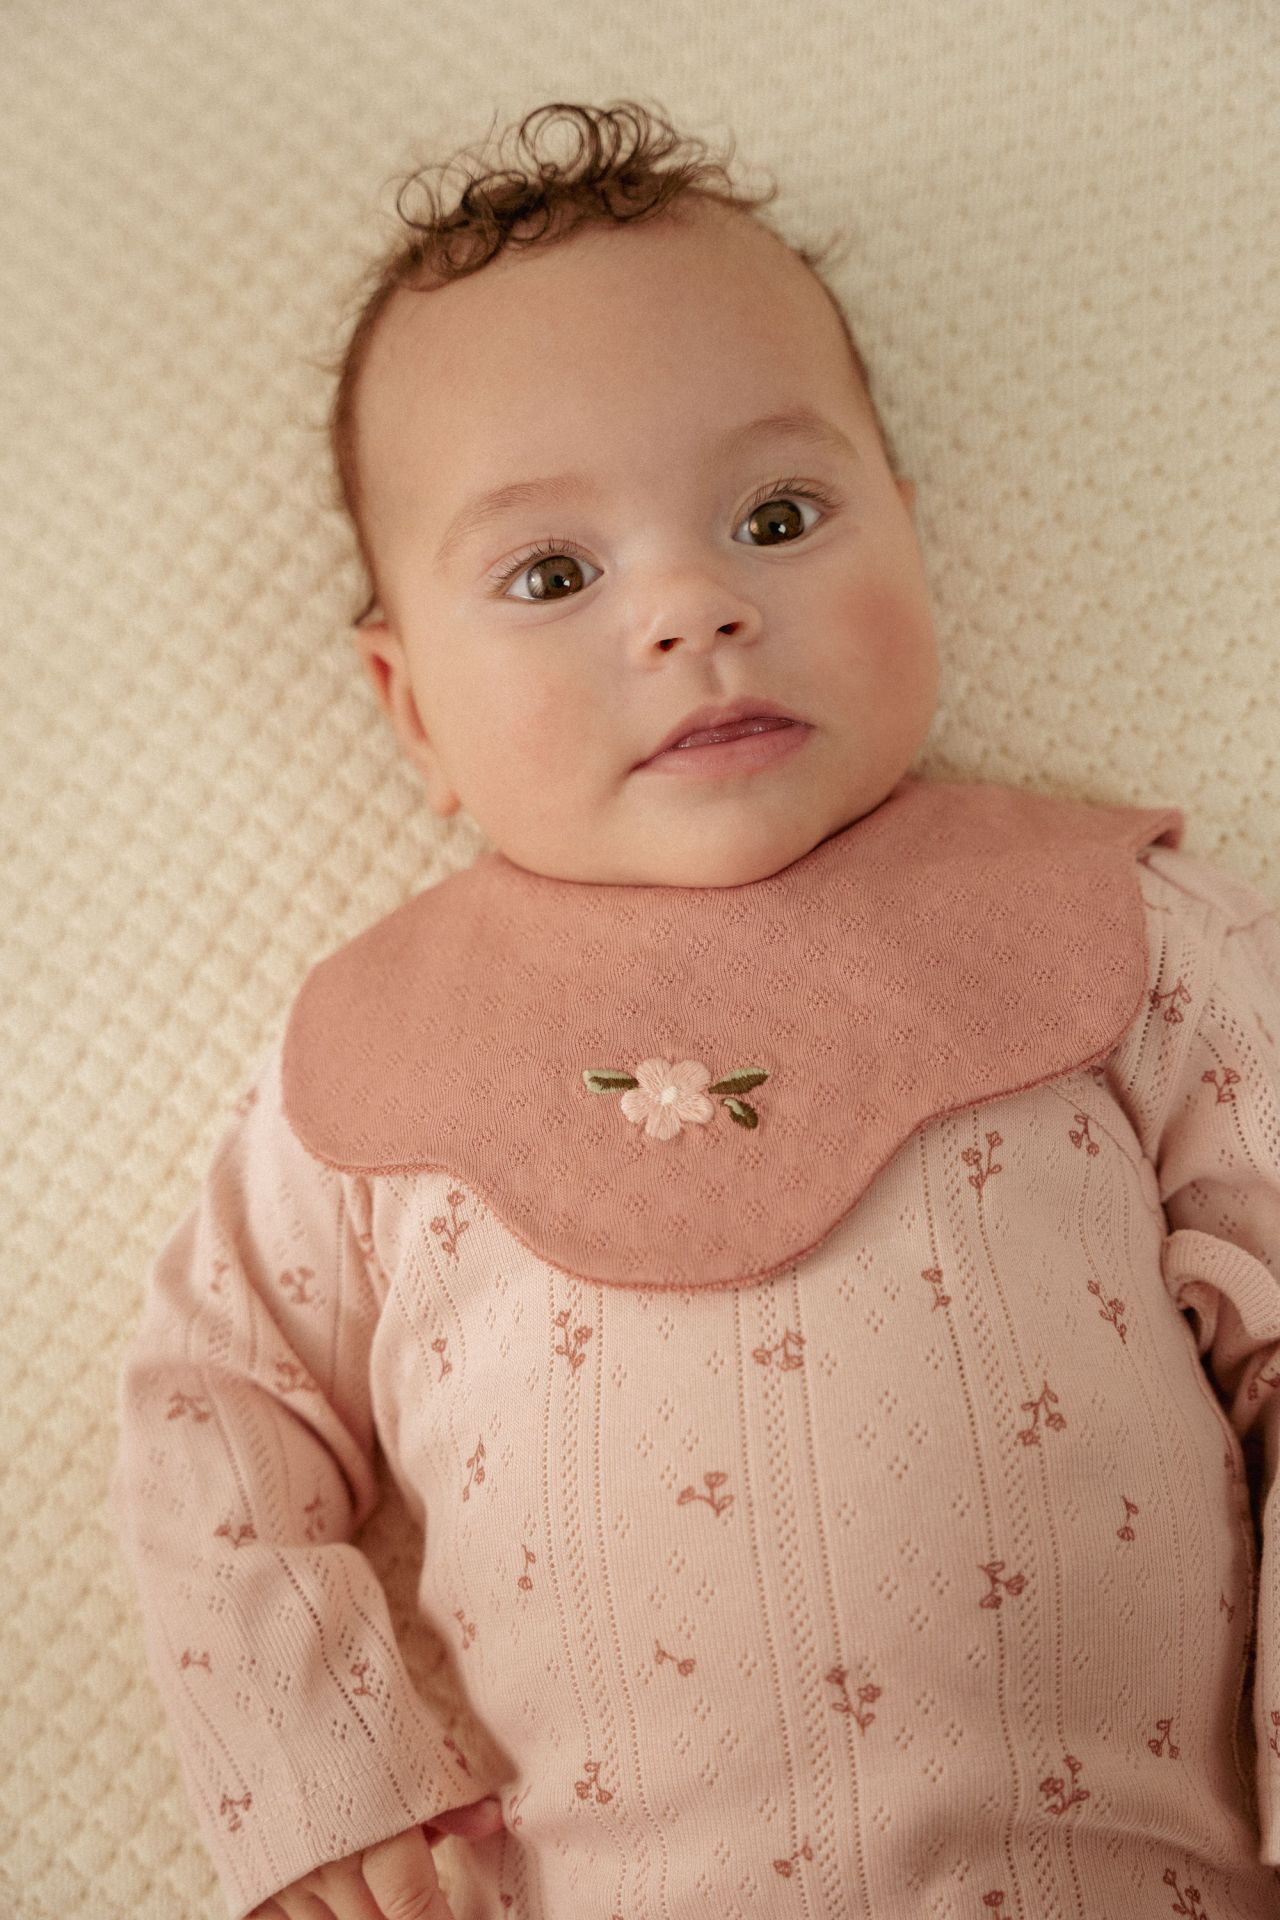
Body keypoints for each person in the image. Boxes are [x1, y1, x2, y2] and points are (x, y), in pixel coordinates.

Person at [109, 100, 1280, 1920]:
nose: (691, 605)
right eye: (552, 575)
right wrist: (323, 1775)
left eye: (777, 516)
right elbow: (211, 1418)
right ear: (409, 709)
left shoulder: (1117, 932)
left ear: (913, 540)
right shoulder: (376, 1058)